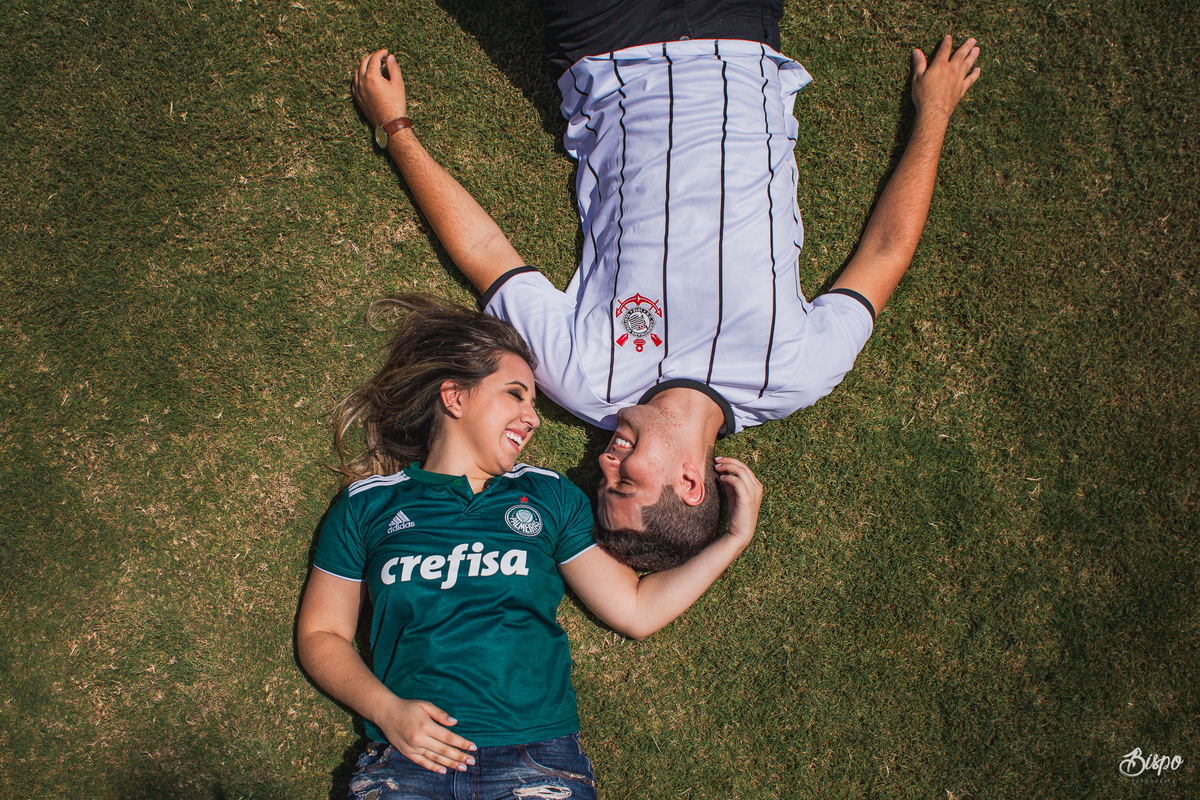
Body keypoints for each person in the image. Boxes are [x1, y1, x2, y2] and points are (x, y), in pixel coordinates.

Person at [349, 4, 981, 570]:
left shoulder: (583, 379)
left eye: (603, 482)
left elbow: (486, 254)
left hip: (608, 46)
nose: (604, 462)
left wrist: (395, 128)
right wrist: (936, 112)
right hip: (740, 38)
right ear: (691, 483)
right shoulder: (795, 373)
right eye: (625, 482)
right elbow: (886, 250)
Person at [296, 295, 762, 798]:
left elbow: (635, 610)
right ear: (455, 398)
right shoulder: (367, 505)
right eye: (516, 395)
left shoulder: (548, 495)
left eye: (534, 404)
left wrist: (733, 540)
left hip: (536, 760)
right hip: (409, 759)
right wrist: (385, 710)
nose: (532, 418)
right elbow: (322, 633)